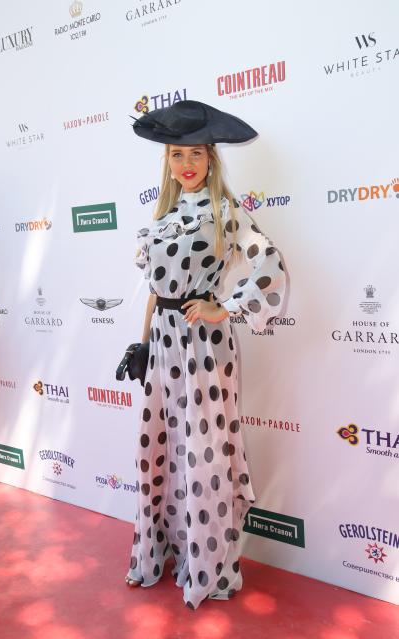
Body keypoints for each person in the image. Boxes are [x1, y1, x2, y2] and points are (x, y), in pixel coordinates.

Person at [124, 100, 286, 610]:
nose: (187, 163)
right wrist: (143, 343)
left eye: (196, 153)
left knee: (204, 452)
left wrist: (226, 307)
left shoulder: (226, 212)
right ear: (167, 162)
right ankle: (167, 550)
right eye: (177, 155)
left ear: (212, 158)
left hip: (204, 348)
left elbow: (270, 264)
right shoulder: (163, 217)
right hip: (165, 346)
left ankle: (211, 565)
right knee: (164, 449)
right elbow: (156, 291)